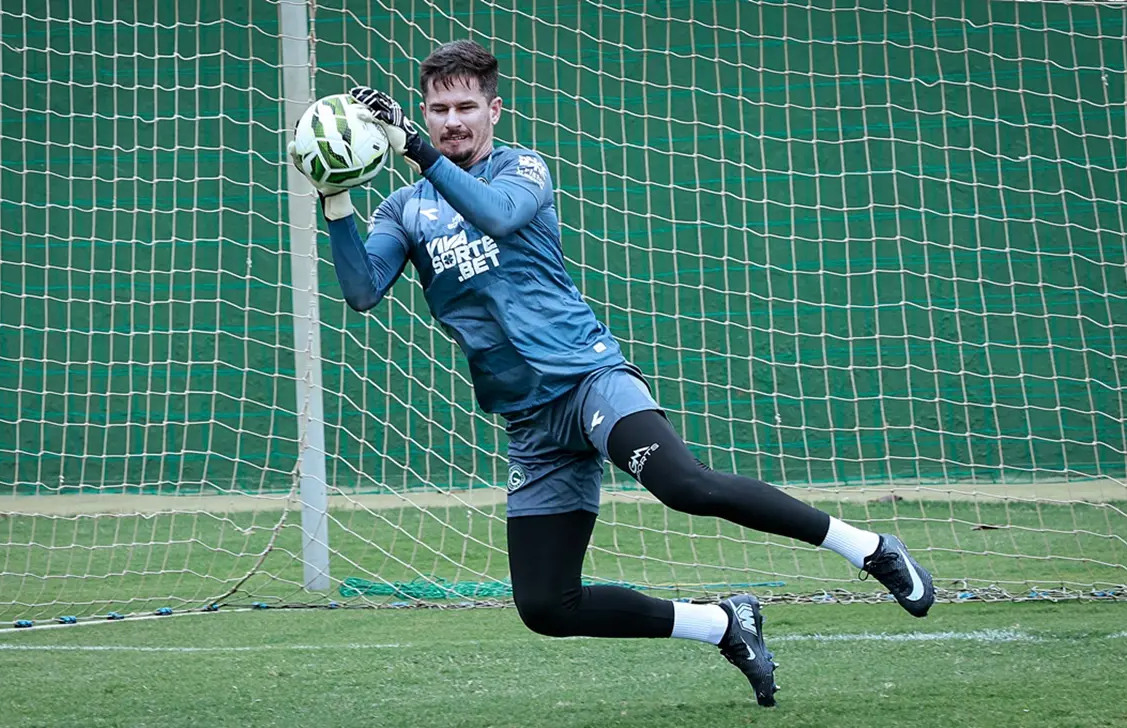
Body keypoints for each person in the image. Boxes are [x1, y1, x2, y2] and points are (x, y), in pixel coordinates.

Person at [294, 39, 935, 708]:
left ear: (494, 110)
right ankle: (722, 624)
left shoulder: (523, 171)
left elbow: (500, 217)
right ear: (422, 112)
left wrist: (414, 150)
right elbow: (362, 289)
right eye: (436, 110)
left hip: (587, 379)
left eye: (465, 107)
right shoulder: (403, 209)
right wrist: (334, 195)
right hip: (529, 421)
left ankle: (871, 550)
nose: (451, 121)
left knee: (684, 484)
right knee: (546, 605)